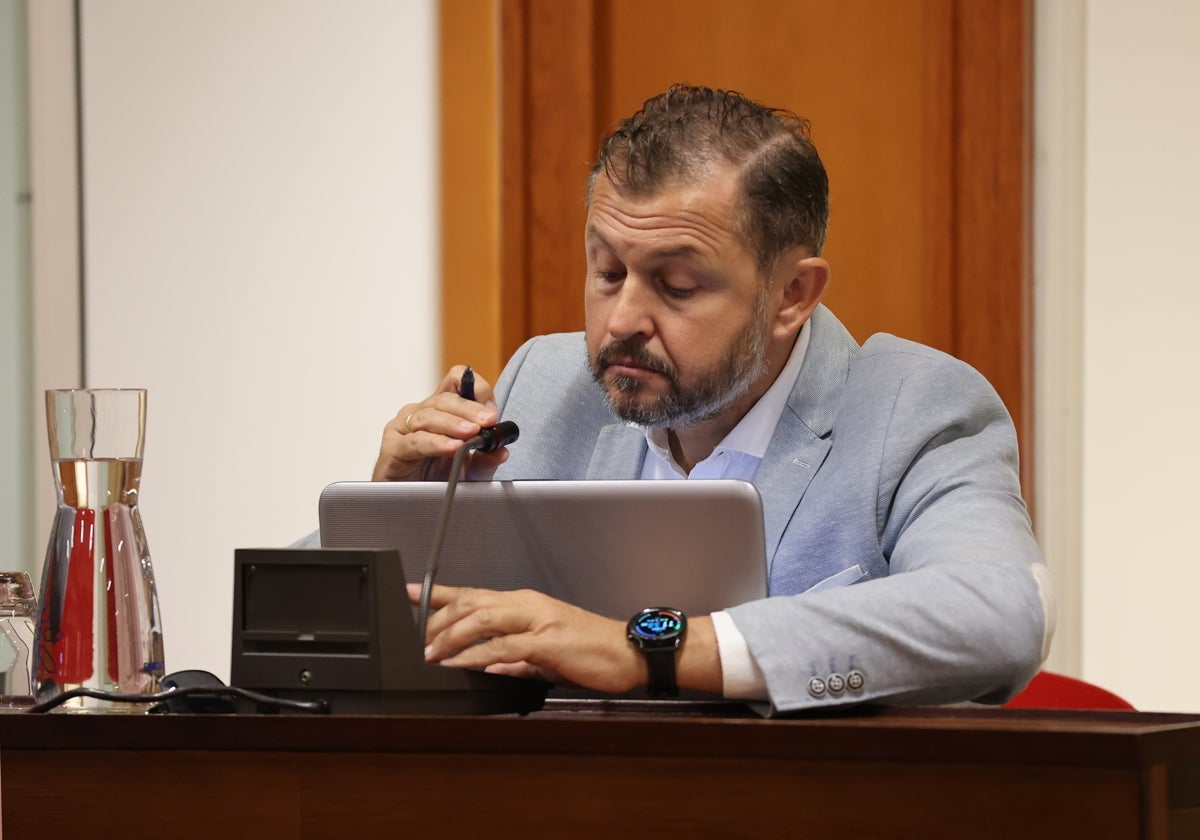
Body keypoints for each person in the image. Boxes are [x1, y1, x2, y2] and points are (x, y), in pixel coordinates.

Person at [372, 84, 1054, 714]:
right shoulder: (546, 385)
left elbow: (1003, 614)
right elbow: (304, 643)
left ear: (792, 295)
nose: (621, 321)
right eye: (607, 271)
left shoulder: (914, 410)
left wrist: (647, 650)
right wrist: (394, 514)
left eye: (676, 285)